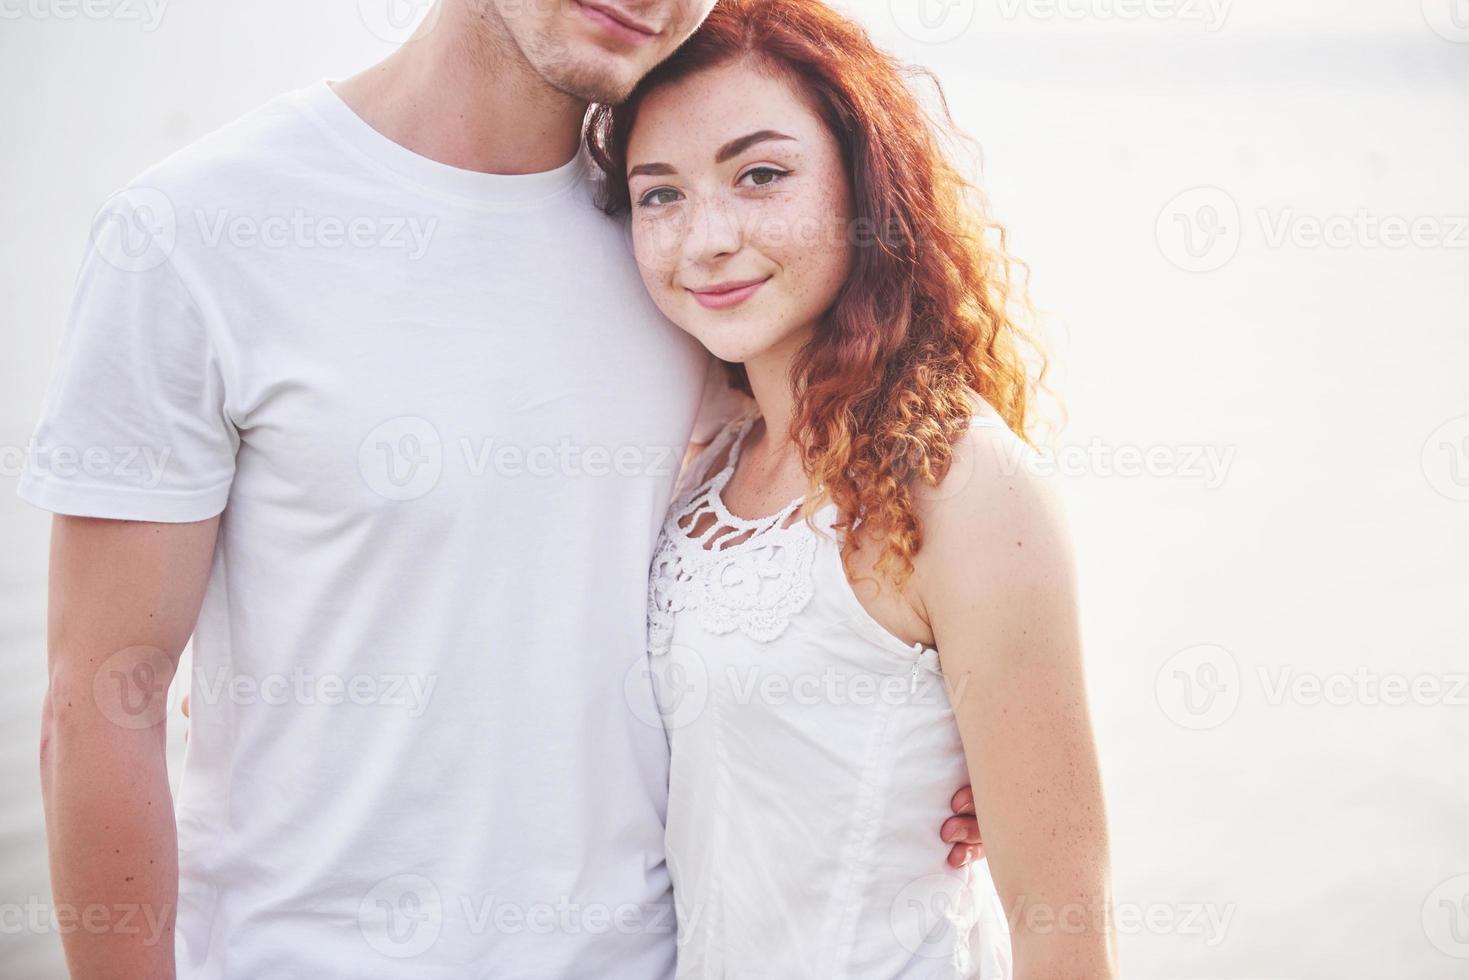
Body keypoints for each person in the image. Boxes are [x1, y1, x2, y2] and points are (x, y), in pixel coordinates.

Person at [21, 1, 983, 976]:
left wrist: (948, 731)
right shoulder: (196, 232)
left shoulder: (672, 234)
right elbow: (104, 699)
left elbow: (882, 451)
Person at [588, 0, 1118, 975]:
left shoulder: (959, 484)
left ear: (863, 182)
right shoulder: (705, 457)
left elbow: (1061, 913)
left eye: (759, 175)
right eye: (658, 194)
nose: (705, 238)